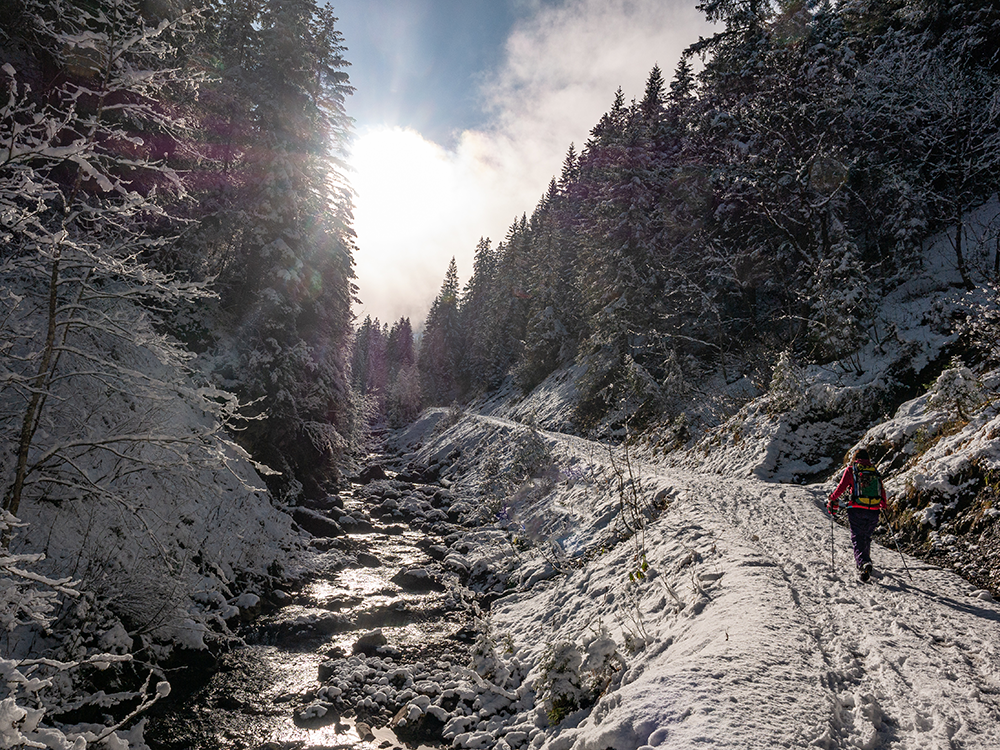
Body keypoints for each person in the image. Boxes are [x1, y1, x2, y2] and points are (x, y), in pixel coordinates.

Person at [827, 448, 887, 582]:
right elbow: (881, 489)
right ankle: (866, 560)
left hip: (856, 508)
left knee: (857, 536)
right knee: (866, 535)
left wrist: (832, 498)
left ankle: (863, 563)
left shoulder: (851, 470)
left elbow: (841, 488)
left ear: (855, 458)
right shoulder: (874, 471)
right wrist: (883, 505)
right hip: (874, 509)